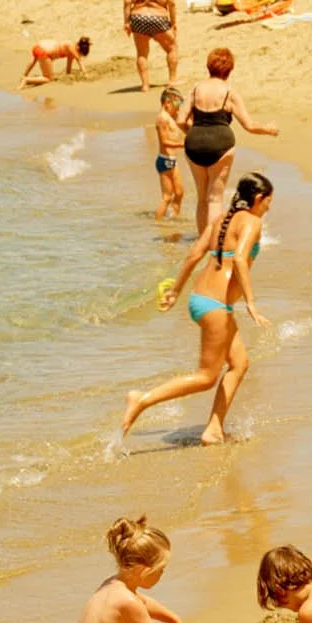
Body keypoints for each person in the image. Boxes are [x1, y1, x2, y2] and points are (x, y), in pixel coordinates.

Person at [121, 173, 273, 445]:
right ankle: (142, 399)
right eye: (268, 202)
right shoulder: (252, 221)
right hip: (215, 306)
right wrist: (251, 302)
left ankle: (213, 430)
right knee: (206, 377)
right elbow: (239, 259)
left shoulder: (221, 220)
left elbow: (194, 255)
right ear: (259, 199)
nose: (269, 208)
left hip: (201, 299)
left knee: (240, 364)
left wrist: (176, 290)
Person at [67, 515, 209, 623]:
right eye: (160, 570)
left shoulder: (114, 584)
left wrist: (172, 619)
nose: (162, 574)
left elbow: (145, 602)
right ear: (143, 569)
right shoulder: (127, 601)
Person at [180, 48, 280, 234]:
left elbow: (180, 119)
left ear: (209, 66)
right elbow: (249, 125)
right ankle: (214, 242)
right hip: (221, 144)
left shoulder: (195, 89)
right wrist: (270, 129)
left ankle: (202, 239)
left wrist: (192, 133)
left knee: (202, 198)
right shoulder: (229, 92)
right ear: (229, 70)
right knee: (215, 198)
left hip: (194, 144)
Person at [124, 0, 180, 90]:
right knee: (172, 47)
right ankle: (172, 81)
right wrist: (173, 22)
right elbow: (171, 2)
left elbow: (127, 2)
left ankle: (145, 85)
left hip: (138, 18)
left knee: (142, 53)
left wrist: (126, 22)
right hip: (157, 17)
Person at [153, 86, 188, 220]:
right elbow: (164, 142)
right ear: (167, 103)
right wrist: (183, 144)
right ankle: (158, 224)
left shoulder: (169, 117)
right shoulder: (162, 118)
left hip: (171, 160)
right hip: (164, 160)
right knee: (167, 197)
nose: (179, 107)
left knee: (179, 193)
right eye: (177, 103)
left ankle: (174, 218)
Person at [24, 36, 92, 84]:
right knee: (48, 79)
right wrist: (86, 74)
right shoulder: (71, 47)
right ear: (79, 49)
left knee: (34, 60)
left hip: (38, 46)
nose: (79, 56)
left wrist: (69, 76)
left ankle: (24, 75)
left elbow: (68, 68)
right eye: (81, 54)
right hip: (44, 51)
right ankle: (27, 80)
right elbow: (79, 60)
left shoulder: (70, 49)